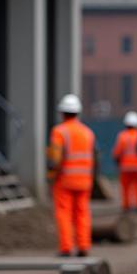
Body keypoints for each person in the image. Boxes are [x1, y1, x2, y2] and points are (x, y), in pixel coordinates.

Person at [46, 93, 96, 257]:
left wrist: (51, 176)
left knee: (64, 213)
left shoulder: (59, 132)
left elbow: (56, 158)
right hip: (84, 180)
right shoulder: (88, 133)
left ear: (62, 113)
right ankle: (83, 246)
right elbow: (94, 157)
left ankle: (66, 247)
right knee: (82, 213)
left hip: (65, 180)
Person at [112, 111, 137, 213]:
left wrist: (117, 162)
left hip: (125, 167)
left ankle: (126, 206)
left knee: (125, 187)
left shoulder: (122, 136)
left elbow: (117, 152)